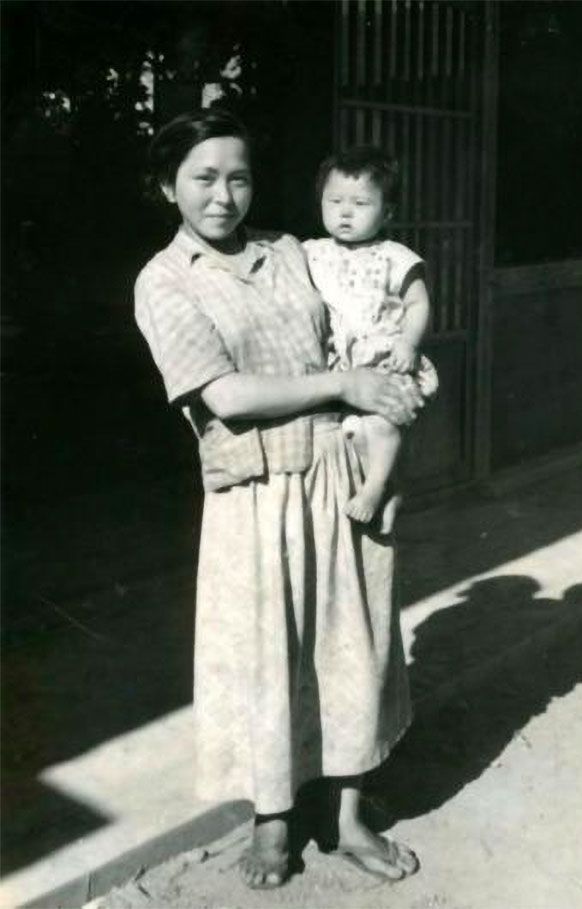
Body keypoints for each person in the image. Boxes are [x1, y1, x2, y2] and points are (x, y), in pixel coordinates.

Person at [134, 108, 422, 890]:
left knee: (351, 643)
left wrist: (385, 470)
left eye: (238, 176)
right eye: (203, 177)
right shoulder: (165, 281)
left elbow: (370, 328)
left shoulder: (290, 251)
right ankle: (274, 819)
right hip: (255, 493)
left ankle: (350, 812)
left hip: (339, 473)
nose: (224, 195)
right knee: (268, 656)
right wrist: (340, 383)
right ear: (168, 187)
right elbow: (224, 393)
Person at [304, 147, 438, 534]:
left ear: (387, 212)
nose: (345, 212)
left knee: (381, 423)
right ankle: (388, 487)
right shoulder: (309, 252)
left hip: (382, 358)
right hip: (337, 364)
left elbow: (418, 304)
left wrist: (408, 344)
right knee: (349, 435)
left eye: (361, 203)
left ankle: (376, 488)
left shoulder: (395, 257)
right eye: (335, 201)